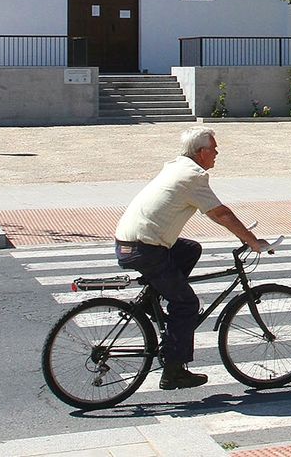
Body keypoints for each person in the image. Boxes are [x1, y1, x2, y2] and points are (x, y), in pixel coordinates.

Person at [114, 125, 267, 390]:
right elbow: (220, 214)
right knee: (186, 304)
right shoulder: (193, 175)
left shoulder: (176, 167)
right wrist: (251, 241)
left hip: (130, 243)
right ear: (201, 151)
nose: (217, 152)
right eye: (214, 148)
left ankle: (154, 300)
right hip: (146, 249)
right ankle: (174, 371)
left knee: (190, 248)